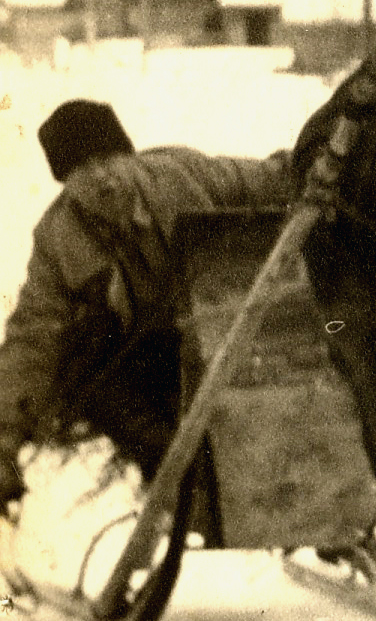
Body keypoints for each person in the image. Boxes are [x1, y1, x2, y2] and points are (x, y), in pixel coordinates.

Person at [0, 100, 294, 513]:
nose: (102, 180)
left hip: (237, 344)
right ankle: (191, 495)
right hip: (168, 365)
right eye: (85, 172)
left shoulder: (184, 175)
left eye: (109, 162)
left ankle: (220, 488)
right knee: (102, 388)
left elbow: (284, 177)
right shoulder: (61, 237)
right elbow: (33, 338)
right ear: (68, 182)